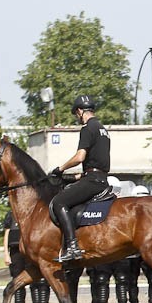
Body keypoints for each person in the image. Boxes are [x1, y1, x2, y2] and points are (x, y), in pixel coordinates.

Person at [49, 94, 111, 262]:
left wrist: (59, 169)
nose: (77, 118)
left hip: (93, 181)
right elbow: (95, 164)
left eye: (76, 115)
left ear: (79, 111)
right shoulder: (102, 129)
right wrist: (71, 178)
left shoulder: (87, 128)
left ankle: (72, 246)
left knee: (59, 202)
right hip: (100, 178)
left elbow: (80, 157)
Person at [3, 211, 50, 303]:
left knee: (36, 280)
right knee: (17, 280)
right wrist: (6, 253)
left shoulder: (34, 212)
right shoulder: (11, 214)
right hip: (15, 251)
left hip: (31, 249)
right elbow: (7, 234)